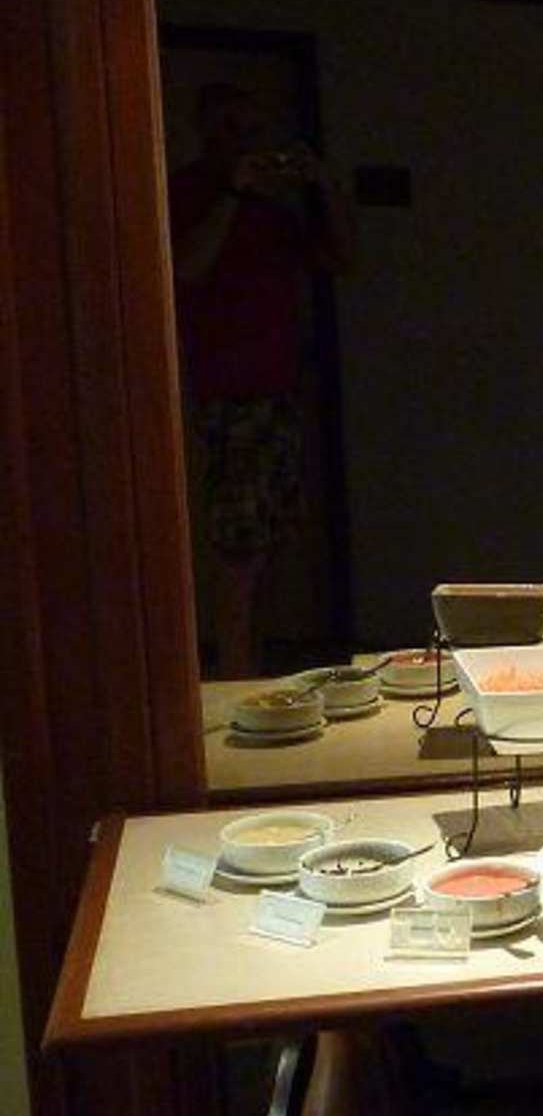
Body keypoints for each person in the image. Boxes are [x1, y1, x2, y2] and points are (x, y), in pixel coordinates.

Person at [168, 82, 354, 677]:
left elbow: (340, 260)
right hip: (224, 393)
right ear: (206, 132)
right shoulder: (185, 192)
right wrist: (232, 191)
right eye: (231, 129)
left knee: (270, 543)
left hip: (279, 392)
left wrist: (322, 184)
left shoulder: (275, 211)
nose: (244, 143)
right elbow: (185, 268)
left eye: (253, 132)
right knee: (237, 549)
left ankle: (254, 668)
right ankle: (234, 681)